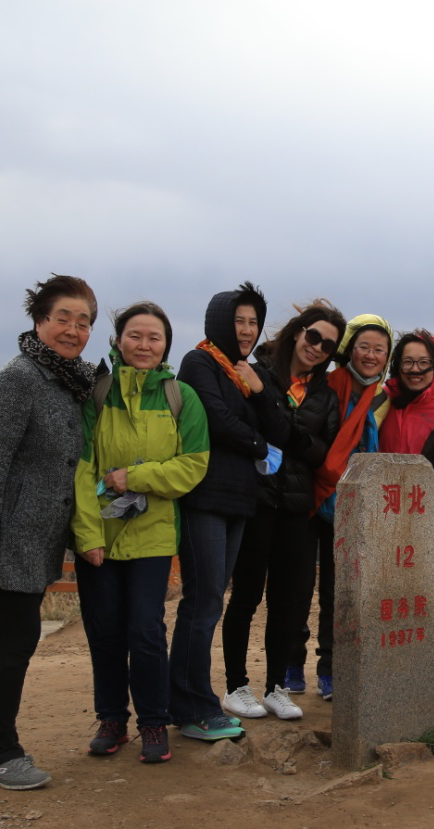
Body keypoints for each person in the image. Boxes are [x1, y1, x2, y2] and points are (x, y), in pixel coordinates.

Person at [0, 274, 98, 790]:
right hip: (7, 536)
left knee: (3, 642)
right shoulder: (19, 378)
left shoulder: (69, 380)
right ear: (39, 321)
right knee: (13, 641)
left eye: (84, 322)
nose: (73, 330)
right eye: (63, 318)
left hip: (35, 537)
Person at [72, 302, 210, 764]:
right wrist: (87, 535)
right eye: (135, 335)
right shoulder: (97, 393)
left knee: (146, 630)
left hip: (153, 534)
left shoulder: (181, 397)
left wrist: (135, 476)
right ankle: (112, 719)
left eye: (155, 337)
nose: (144, 345)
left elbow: (193, 465)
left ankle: (153, 721)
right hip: (101, 534)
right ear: (118, 340)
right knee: (104, 631)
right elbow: (81, 468)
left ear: (166, 345)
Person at [169, 284, 284, 733]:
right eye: (238, 320)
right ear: (219, 322)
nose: (247, 330)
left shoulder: (246, 372)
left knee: (211, 601)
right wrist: (259, 446)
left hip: (239, 500)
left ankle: (190, 701)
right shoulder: (198, 362)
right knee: (202, 601)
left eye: (254, 322)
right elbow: (217, 420)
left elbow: (279, 428)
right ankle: (193, 706)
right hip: (205, 496)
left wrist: (260, 391)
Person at [221, 300, 342, 721]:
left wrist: (287, 433)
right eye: (314, 336)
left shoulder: (324, 394)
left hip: (296, 508)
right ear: (297, 332)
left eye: (328, 345)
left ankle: (276, 687)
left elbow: (324, 452)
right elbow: (244, 428)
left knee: (287, 601)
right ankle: (236, 686)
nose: (317, 347)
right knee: (247, 596)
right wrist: (298, 438)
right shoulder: (256, 372)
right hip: (254, 501)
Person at [294, 314, 393, 701]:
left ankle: (330, 669)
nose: (370, 355)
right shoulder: (328, 384)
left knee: (339, 592)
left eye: (379, 349)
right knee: (298, 585)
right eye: (363, 347)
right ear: (349, 350)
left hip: (352, 504)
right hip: (313, 495)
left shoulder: (381, 395)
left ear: (387, 357)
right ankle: (290, 663)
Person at [378, 329, 434, 701]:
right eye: (408, 362)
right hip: (382, 515)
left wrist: (421, 507)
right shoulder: (384, 401)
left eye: (423, 363)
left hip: (426, 518)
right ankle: (393, 666)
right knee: (387, 592)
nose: (415, 370)